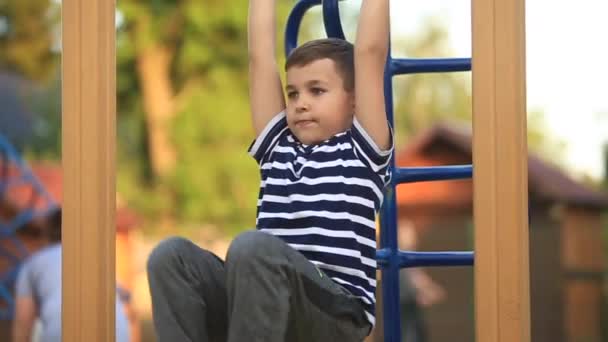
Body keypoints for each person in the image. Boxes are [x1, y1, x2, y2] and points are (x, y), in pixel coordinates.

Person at [146, 1, 393, 341]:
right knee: (171, 257)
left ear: (354, 101)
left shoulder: (361, 150)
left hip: (336, 313)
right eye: (292, 93)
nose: (300, 102)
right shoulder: (279, 146)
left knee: (252, 247)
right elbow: (260, 57)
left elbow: (370, 51)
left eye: (317, 90)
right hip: (268, 297)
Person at [12, 209, 130, 342]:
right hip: (115, 333)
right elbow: (128, 305)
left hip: (61, 332)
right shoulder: (96, 258)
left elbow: (23, 322)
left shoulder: (33, 263)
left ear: (47, 234)